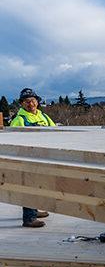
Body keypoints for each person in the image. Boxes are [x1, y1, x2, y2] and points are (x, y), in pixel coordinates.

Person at [10, 88, 56, 228]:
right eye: (27, 101)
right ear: (22, 104)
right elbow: (12, 141)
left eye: (33, 100)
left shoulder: (44, 117)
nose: (31, 104)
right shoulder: (19, 119)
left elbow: (57, 132)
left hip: (42, 156)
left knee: (38, 184)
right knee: (28, 185)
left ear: (37, 101)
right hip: (27, 157)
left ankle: (34, 210)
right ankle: (29, 218)